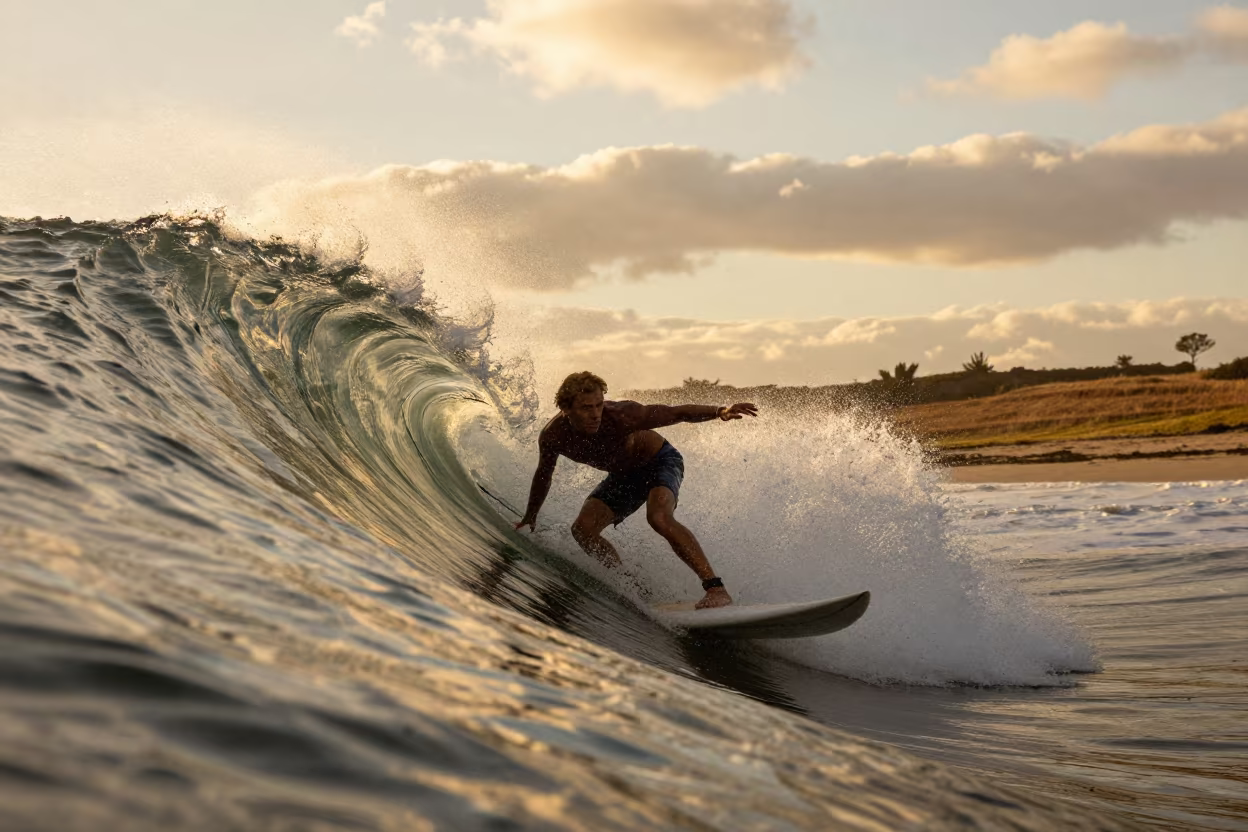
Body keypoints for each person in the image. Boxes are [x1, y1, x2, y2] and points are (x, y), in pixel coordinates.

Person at [514, 371, 757, 609]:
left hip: (660, 461)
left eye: (599, 405)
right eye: (586, 408)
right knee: (582, 529)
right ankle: (630, 586)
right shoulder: (553, 435)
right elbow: (544, 474)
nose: (596, 414)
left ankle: (716, 589)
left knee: (659, 518)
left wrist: (719, 411)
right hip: (624, 477)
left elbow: (677, 412)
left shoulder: (622, 415)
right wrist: (530, 516)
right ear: (566, 409)